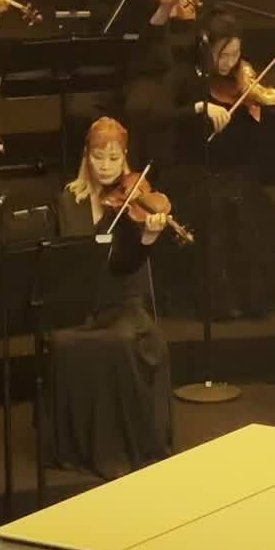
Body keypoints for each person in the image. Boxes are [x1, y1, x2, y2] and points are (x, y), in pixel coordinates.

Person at [46, 117, 174, 478]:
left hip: (123, 302)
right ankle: (78, 447)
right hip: (79, 303)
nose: (105, 166)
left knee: (122, 341)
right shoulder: (67, 200)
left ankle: (124, 447)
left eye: (113, 158)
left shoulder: (135, 201)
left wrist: (147, 238)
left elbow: (124, 265)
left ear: (125, 158)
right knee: (62, 341)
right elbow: (57, 256)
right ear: (86, 157)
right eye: (98, 157)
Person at [133, 10, 275, 320]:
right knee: (214, 204)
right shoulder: (183, 75)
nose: (229, 63)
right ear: (205, 46)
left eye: (235, 55)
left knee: (251, 202)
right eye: (223, 55)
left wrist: (258, 110)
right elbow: (157, 115)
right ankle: (218, 301)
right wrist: (199, 108)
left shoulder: (242, 80)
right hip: (190, 170)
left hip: (231, 169)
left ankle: (249, 298)